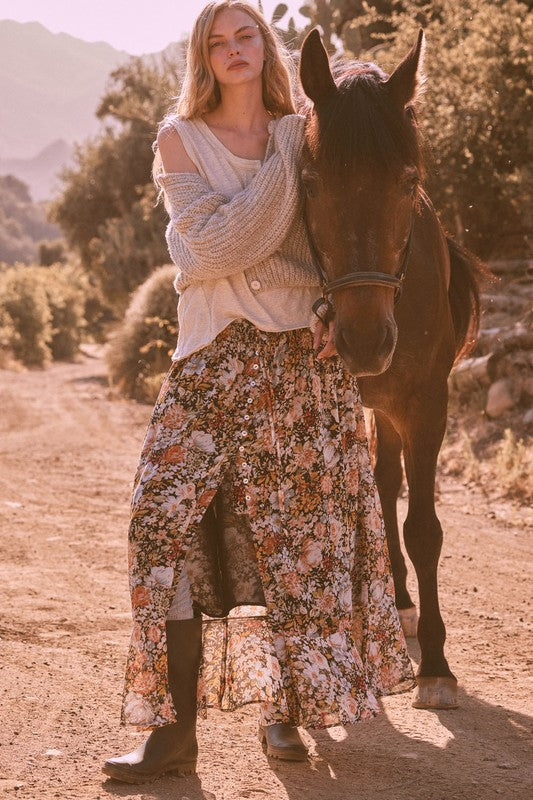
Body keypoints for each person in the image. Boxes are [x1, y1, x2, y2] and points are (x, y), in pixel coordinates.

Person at [103, 0, 413, 784]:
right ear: (201, 58)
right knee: (157, 526)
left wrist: (314, 298)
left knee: (290, 546)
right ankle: (172, 736)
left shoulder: (306, 131)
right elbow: (212, 248)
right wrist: (265, 210)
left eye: (246, 35)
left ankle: (288, 712)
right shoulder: (183, 140)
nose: (233, 49)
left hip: (298, 364)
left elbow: (332, 238)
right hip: (210, 358)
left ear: (265, 46)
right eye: (217, 40)